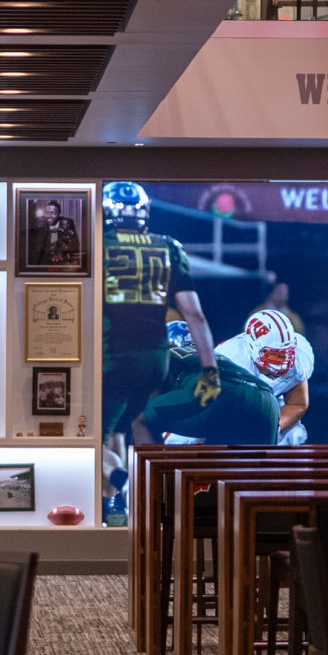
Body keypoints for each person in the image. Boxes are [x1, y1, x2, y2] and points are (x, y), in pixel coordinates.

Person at [100, 181, 216, 463]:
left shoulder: (98, 245)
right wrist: (209, 369)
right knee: (122, 425)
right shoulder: (169, 247)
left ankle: (118, 482)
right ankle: (120, 497)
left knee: (92, 438)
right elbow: (194, 314)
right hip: (155, 359)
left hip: (112, 354)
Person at [142, 318, 279, 446]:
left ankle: (148, 471)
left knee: (141, 415)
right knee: (255, 466)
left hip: (222, 396)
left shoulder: (169, 354)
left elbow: (156, 396)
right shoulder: (215, 355)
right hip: (268, 401)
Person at [215, 306, 316, 445]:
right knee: (189, 437)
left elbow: (297, 404)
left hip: (272, 404)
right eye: (275, 355)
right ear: (253, 348)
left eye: (288, 353)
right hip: (229, 410)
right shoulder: (230, 358)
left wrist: (270, 426)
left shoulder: (300, 357)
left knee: (295, 435)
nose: (284, 362)